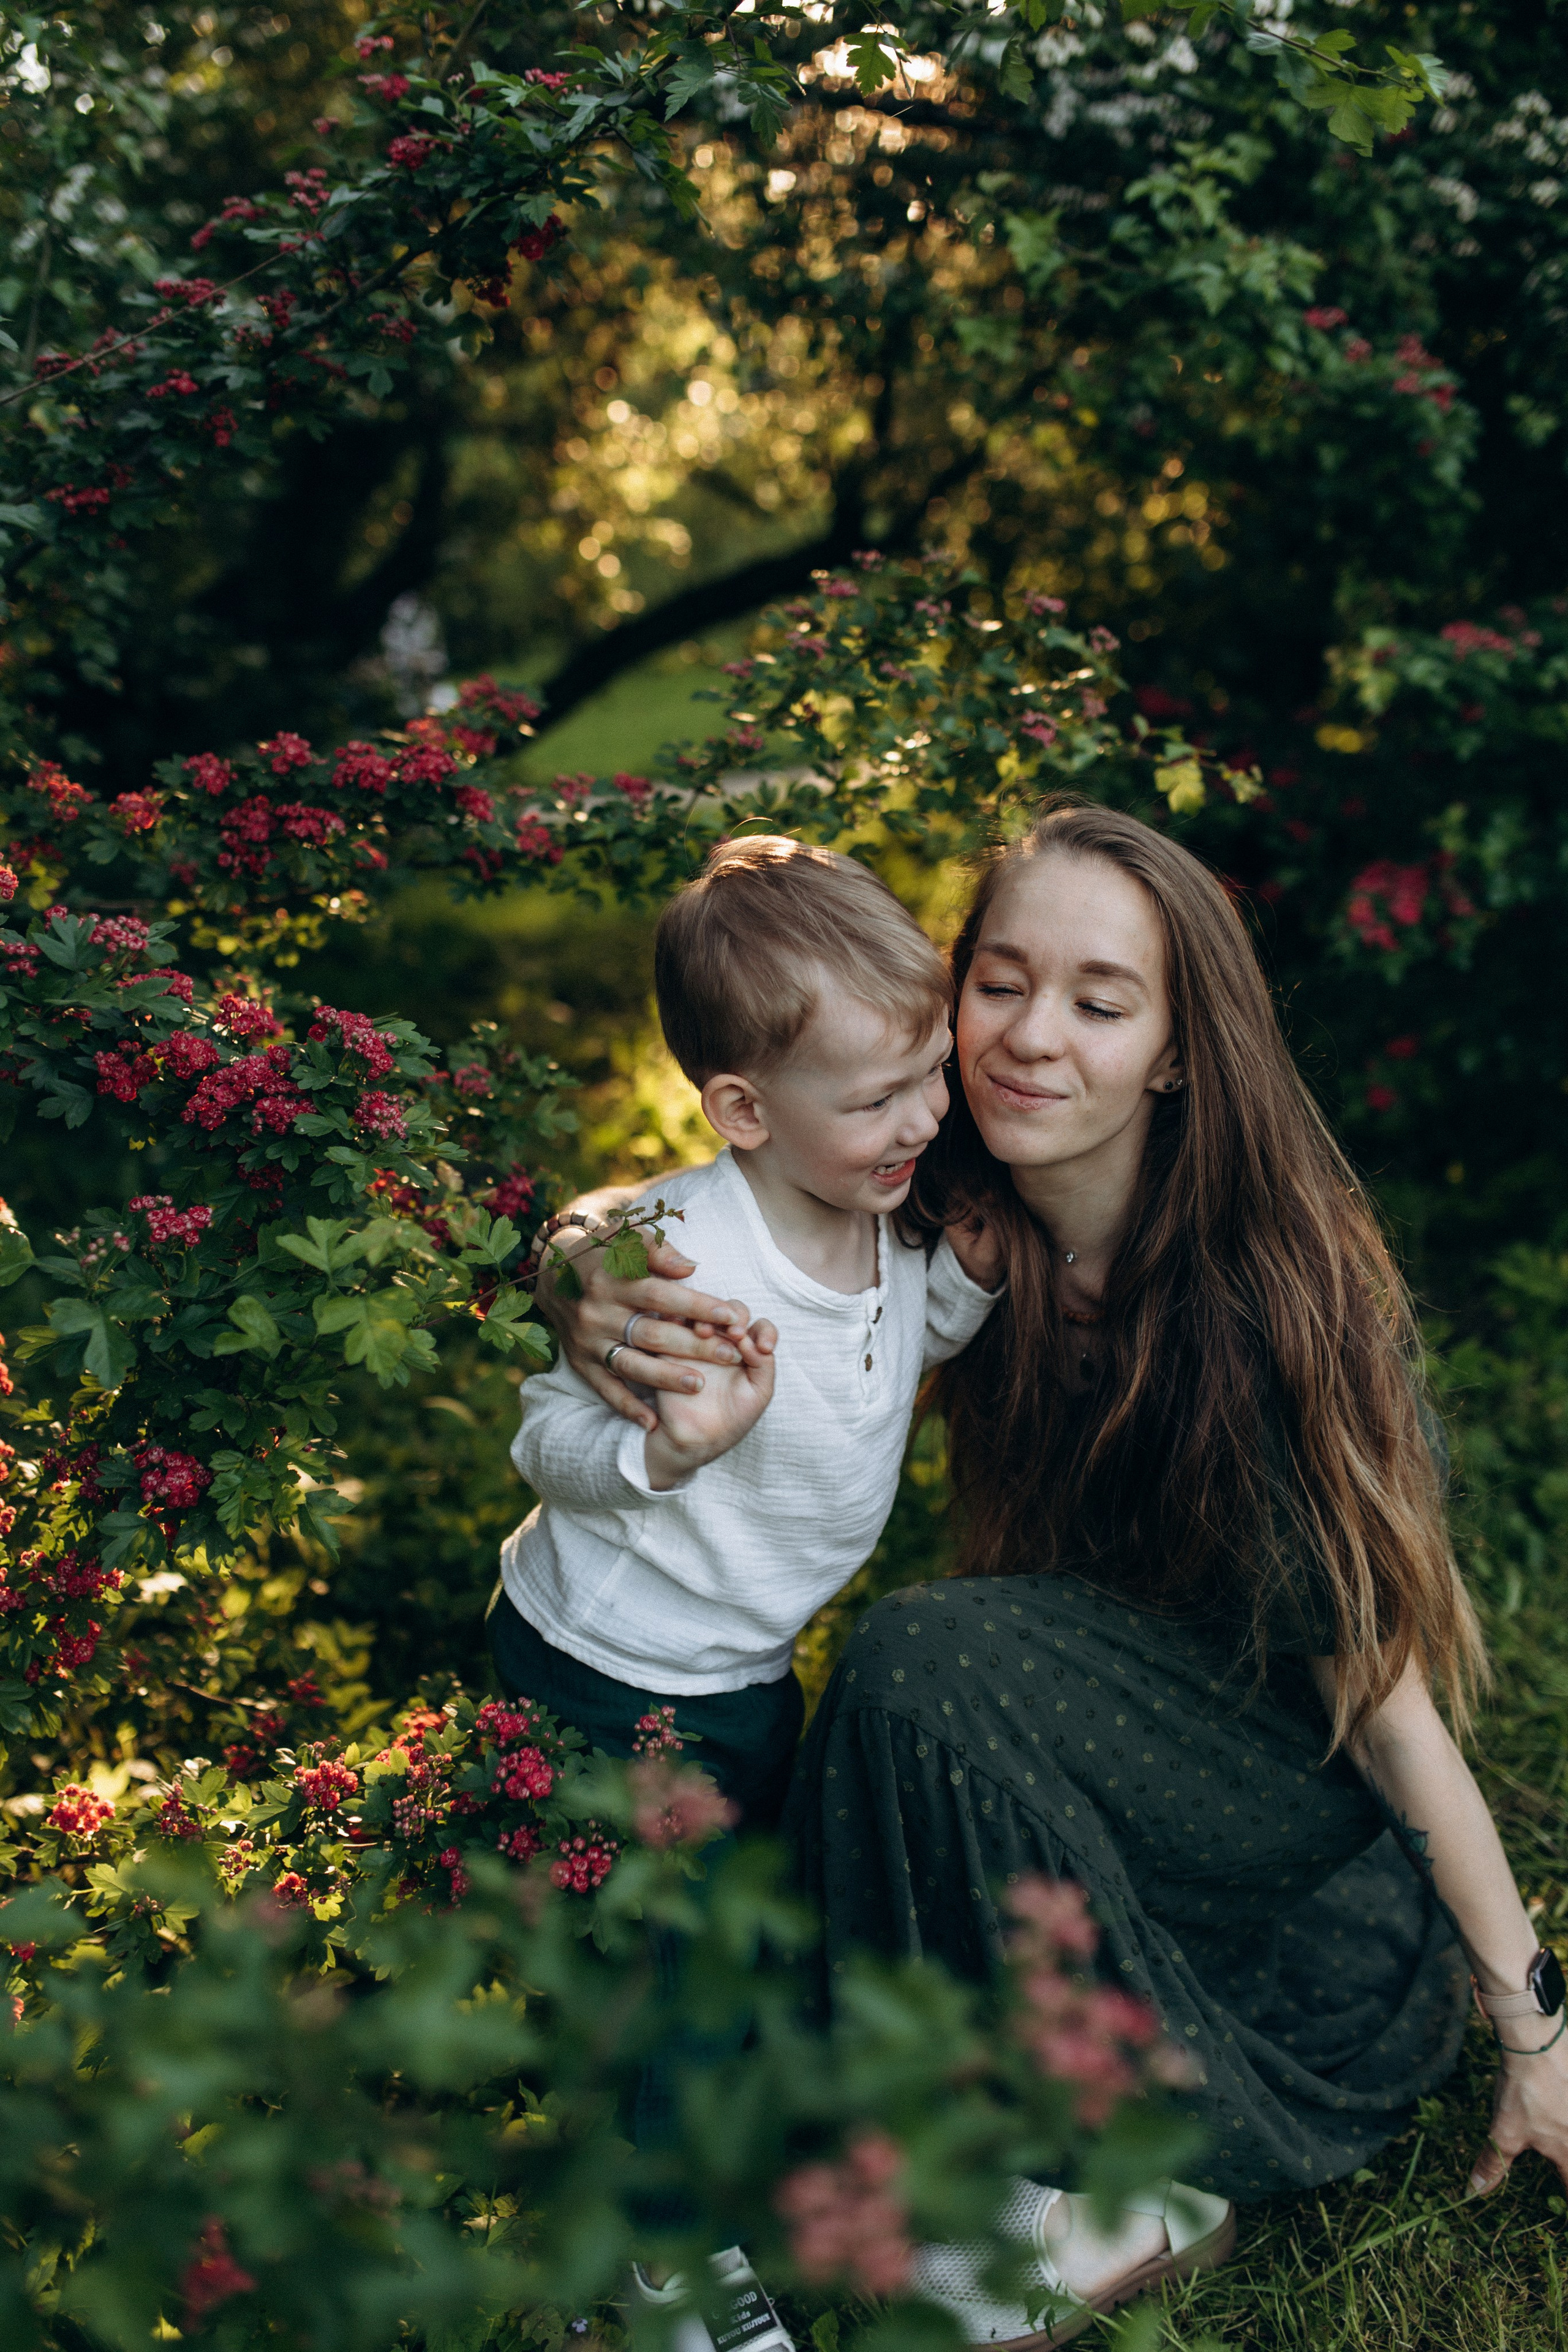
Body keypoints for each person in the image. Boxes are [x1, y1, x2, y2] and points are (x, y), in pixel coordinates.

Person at [543, 798, 1568, 2347]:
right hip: (1064, 1725)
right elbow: (712, 1179)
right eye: (999, 982)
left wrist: (1528, 2019)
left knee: (922, 1661)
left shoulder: (1256, 1304)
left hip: (1262, 1758)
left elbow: (1383, 1701)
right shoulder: (935, 1158)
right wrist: (577, 1265)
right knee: (809, 1874)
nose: (1029, 1038)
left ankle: (1085, 2184)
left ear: (1171, 1050)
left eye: (1098, 1003)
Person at [492, 834, 1001, 1836]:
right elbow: (540, 1441)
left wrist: (964, 1285)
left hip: (749, 1661)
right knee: (654, 1953)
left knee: (742, 1915)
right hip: (610, 1661)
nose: (926, 1120)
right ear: (744, 1110)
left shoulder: (879, 1212)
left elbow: (886, 1356)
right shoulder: (682, 1265)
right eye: (878, 1099)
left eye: (933, 1072)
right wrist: (658, 1451)